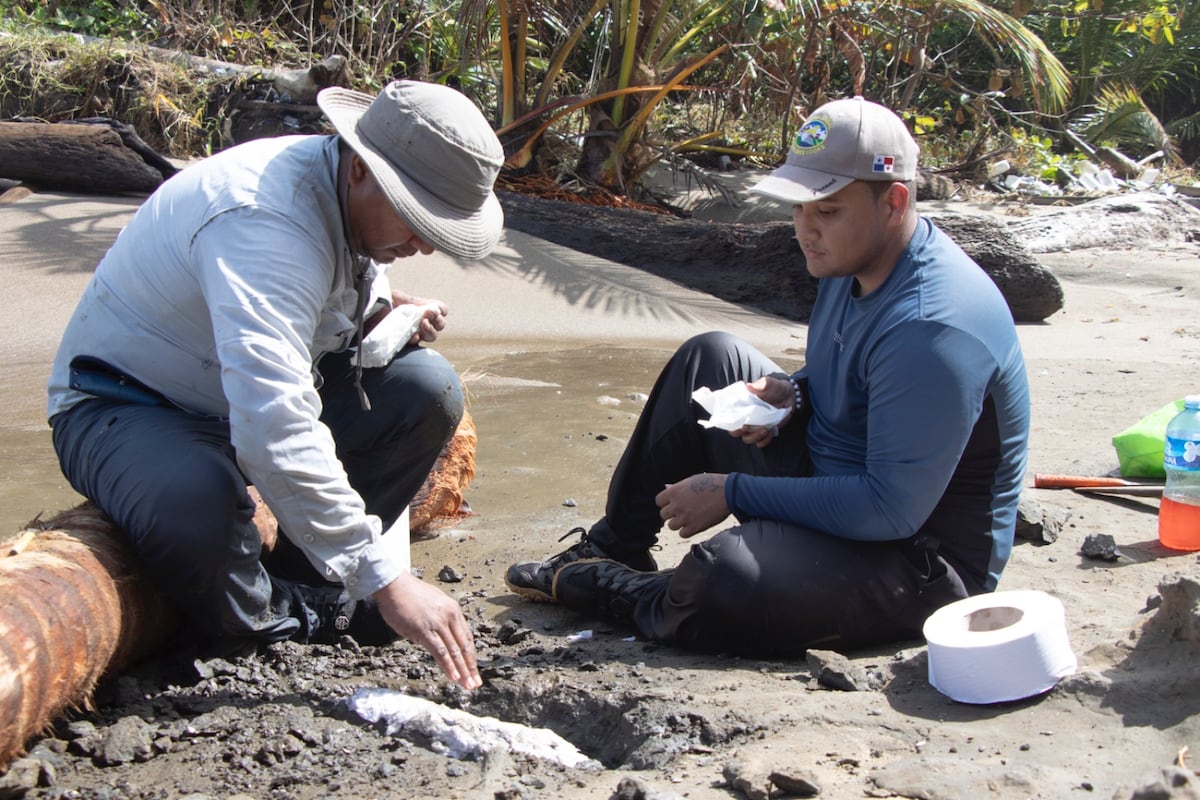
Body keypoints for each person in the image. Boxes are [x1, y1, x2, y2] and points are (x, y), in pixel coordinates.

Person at [504, 97, 1031, 657]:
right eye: (799, 208)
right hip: (839, 479)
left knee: (722, 576)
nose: (805, 230)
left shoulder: (931, 325)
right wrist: (795, 390)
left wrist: (731, 491)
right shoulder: (850, 260)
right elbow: (857, 369)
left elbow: (889, 508)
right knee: (710, 358)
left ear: (894, 203)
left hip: (915, 557)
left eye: (826, 211)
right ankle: (616, 548)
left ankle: (637, 595)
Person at [47, 80, 504, 690]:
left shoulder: (344, 194)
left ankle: (298, 578)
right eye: (418, 220)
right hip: (129, 405)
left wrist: (380, 307)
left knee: (426, 389)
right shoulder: (262, 219)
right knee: (197, 504)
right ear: (363, 168)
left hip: (231, 404)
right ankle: (286, 613)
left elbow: (319, 306)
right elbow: (274, 420)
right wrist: (387, 581)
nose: (423, 244)